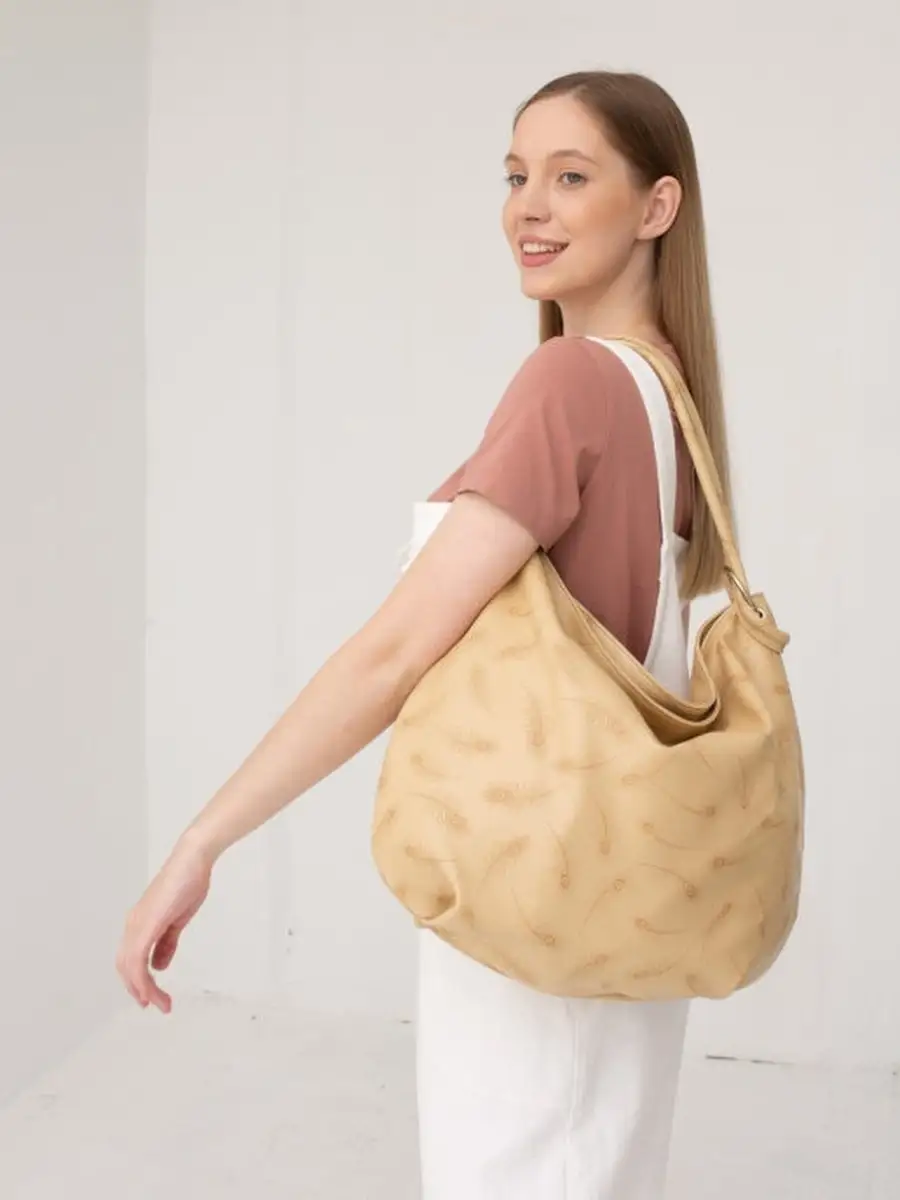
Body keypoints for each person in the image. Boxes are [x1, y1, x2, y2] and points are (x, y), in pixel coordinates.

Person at [117, 69, 736, 1199]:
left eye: (571, 177)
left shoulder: (570, 383)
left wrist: (202, 842)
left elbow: (393, 654)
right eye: (515, 175)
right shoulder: (671, 394)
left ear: (657, 206)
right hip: (620, 906)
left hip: (525, 911)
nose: (527, 207)